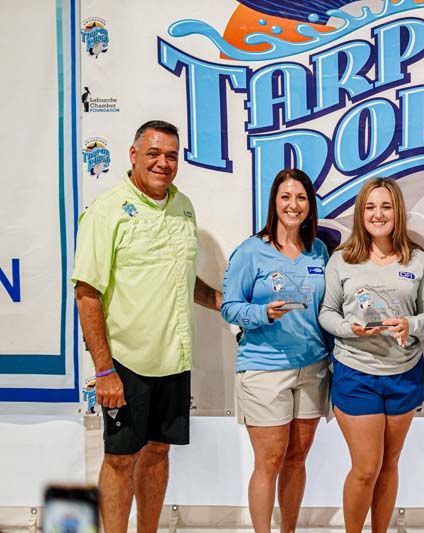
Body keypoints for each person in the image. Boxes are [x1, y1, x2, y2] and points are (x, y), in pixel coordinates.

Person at [72, 120, 221, 533]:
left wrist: (219, 301)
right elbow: (87, 294)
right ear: (133, 155)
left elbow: (182, 277)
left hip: (174, 359)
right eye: (153, 153)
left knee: (157, 453)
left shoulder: (183, 206)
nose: (163, 163)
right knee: (120, 459)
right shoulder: (107, 212)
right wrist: (104, 371)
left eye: (171, 155)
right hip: (126, 364)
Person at [319, 178, 424, 533]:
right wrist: (348, 329)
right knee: (366, 467)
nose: (378, 214)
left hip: (403, 373)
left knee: (389, 464)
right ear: (360, 213)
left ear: (397, 211)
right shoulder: (342, 260)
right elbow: (327, 312)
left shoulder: (419, 260)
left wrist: (409, 324)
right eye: (370, 207)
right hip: (356, 373)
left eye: (385, 206)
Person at [221, 169, 330, 533]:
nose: (293, 205)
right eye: (285, 197)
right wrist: (263, 312)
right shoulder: (252, 251)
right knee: (269, 460)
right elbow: (230, 307)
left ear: (309, 205)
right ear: (273, 203)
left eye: (300, 198)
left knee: (297, 459)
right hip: (265, 368)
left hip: (313, 368)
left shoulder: (319, 251)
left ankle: (289, 530)